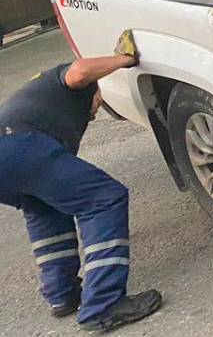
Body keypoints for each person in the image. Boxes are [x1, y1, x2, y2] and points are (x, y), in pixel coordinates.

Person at [0, 31, 162, 332]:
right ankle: (103, 304)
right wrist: (125, 60)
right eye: (100, 103)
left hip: (8, 160)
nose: (96, 113)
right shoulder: (70, 83)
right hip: (18, 144)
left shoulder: (41, 101)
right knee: (104, 199)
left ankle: (61, 294)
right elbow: (80, 71)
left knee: (46, 209)